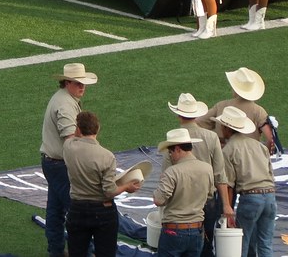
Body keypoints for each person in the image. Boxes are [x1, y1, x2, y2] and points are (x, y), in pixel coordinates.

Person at [63, 111, 143, 257]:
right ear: (97, 129)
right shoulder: (106, 156)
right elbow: (109, 191)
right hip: (103, 211)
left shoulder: (68, 147)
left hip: (77, 208)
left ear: (78, 129)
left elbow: (71, 137)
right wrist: (126, 187)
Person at [41, 62, 98, 257]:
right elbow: (70, 143)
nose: (82, 86)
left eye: (83, 83)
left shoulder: (63, 98)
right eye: (77, 83)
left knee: (55, 211)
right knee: (77, 213)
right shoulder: (65, 106)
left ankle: (56, 251)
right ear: (67, 82)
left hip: (52, 162)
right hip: (60, 164)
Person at [167, 94, 229, 257]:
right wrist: (227, 205)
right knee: (207, 246)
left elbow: (165, 175)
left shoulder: (173, 138)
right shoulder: (212, 137)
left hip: (180, 203)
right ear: (195, 114)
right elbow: (220, 175)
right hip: (207, 201)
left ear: (179, 114)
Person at [214, 106, 277, 257]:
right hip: (270, 197)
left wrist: (227, 210)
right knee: (265, 244)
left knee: (241, 244)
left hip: (251, 198)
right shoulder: (259, 146)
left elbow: (227, 184)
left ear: (226, 127)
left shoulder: (229, 150)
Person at [153, 127, 215, 257]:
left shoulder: (172, 172)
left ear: (177, 149)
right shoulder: (207, 169)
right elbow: (209, 195)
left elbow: (158, 200)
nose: (170, 155)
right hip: (197, 230)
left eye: (170, 151)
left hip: (174, 230)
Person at [198, 67, 277, 154]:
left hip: (223, 155)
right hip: (249, 156)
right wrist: (265, 155)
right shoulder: (259, 111)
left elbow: (197, 123)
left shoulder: (221, 106)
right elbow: (270, 138)